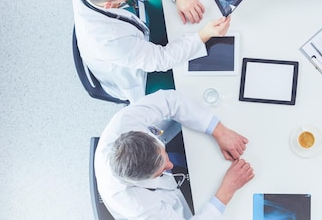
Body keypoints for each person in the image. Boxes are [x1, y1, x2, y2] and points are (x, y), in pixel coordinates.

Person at [72, 0, 231, 103]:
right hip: (141, 74)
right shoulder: (108, 41)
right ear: (109, 5)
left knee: (198, 7)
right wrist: (202, 36)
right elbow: (162, 60)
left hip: (137, 21)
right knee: (198, 87)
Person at [95, 89, 254, 219]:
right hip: (173, 204)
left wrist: (219, 130)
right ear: (143, 180)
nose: (170, 165)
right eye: (161, 171)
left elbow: (170, 100)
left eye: (164, 155)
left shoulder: (124, 122)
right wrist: (226, 191)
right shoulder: (138, 206)